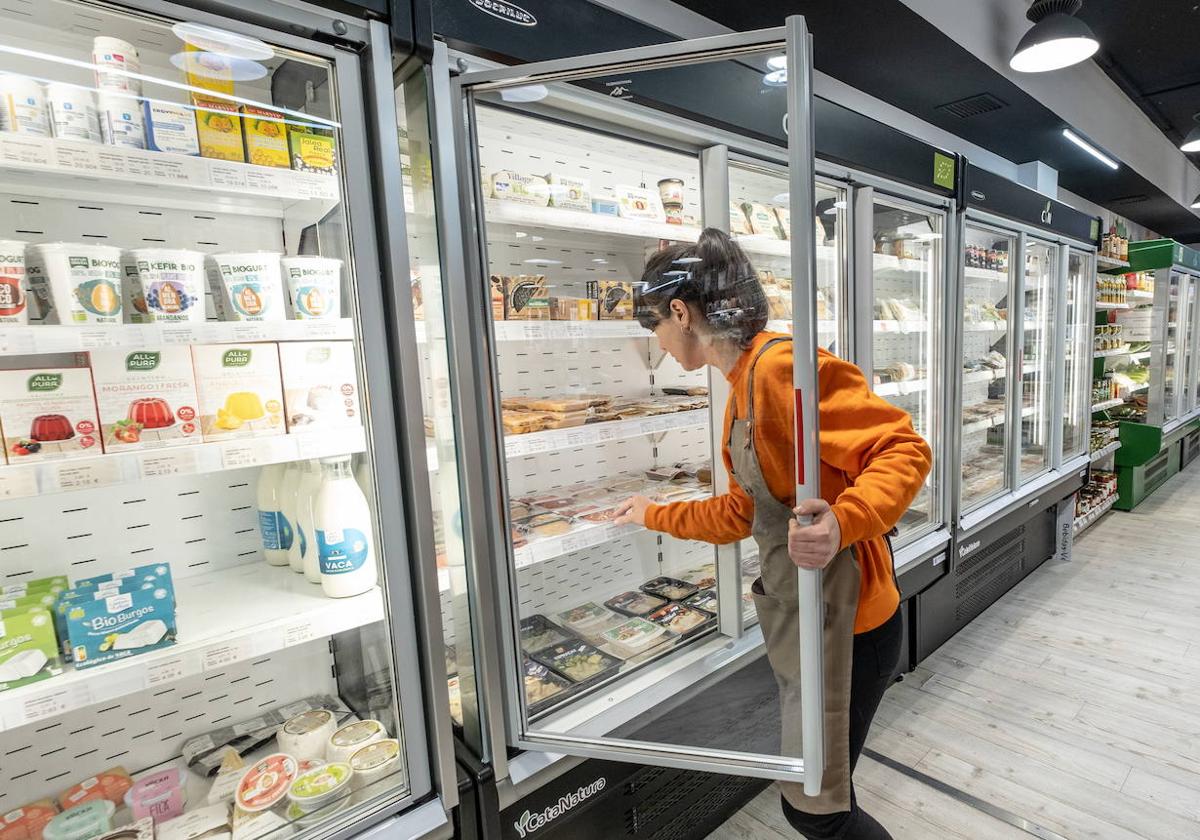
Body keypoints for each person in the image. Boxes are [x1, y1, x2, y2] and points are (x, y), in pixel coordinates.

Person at [614, 228, 931, 840]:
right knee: (818, 792)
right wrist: (654, 514)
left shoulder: (781, 367)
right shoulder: (740, 388)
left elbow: (904, 447)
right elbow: (743, 513)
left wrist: (844, 520)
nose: (655, 340)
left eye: (654, 323)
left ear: (681, 312)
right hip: (815, 617)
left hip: (852, 625)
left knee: (818, 809)